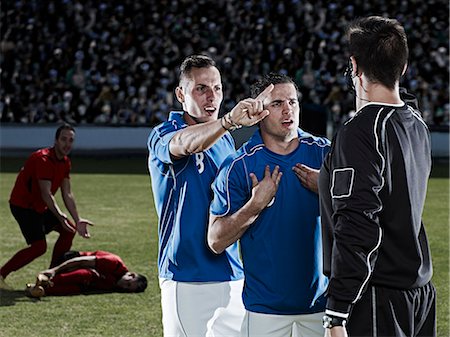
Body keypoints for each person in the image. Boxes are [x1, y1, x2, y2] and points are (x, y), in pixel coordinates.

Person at [318, 16, 436, 337]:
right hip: (418, 293)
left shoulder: (362, 131)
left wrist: (337, 311)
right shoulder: (416, 122)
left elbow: (359, 221)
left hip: (376, 298)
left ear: (354, 66)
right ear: (404, 66)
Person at [147, 54, 272, 336]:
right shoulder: (165, 132)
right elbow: (185, 143)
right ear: (181, 93)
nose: (210, 96)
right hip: (186, 276)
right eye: (200, 88)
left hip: (232, 272)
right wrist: (229, 121)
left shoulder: (226, 141)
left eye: (216, 88)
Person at [208, 73, 331, 337]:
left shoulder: (326, 154)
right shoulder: (238, 166)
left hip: (322, 308)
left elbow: (370, 210)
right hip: (264, 311)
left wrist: (330, 188)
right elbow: (215, 240)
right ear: (260, 111)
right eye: (277, 104)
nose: (288, 110)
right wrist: (255, 205)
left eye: (293, 102)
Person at [0, 123, 93, 290]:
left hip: (41, 206)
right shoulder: (42, 159)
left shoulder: (65, 162)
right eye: (63, 139)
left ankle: (50, 275)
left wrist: (77, 219)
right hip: (24, 206)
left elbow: (67, 194)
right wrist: (60, 216)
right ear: (56, 140)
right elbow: (46, 193)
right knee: (39, 247)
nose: (67, 144)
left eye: (71, 140)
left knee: (68, 230)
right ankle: (1, 274)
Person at [25, 250, 147, 297]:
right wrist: (54, 270)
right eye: (128, 284)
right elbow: (80, 261)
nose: (124, 287)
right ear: (131, 275)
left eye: (127, 289)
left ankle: (41, 290)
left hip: (83, 277)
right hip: (70, 261)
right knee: (87, 275)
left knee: (78, 288)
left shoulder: (115, 284)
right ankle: (46, 280)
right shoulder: (114, 263)